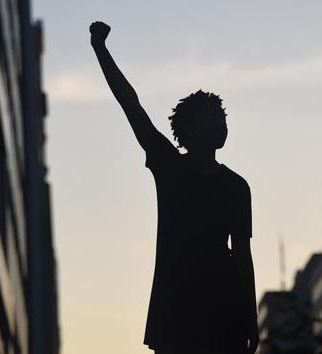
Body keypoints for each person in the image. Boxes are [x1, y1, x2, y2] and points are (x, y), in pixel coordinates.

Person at [89, 21, 258, 354]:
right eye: (212, 116)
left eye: (222, 116)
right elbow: (131, 104)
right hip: (177, 310)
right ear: (190, 129)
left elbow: (243, 257)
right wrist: (100, 49)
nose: (221, 123)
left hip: (223, 312)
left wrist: (251, 321)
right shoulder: (169, 166)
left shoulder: (237, 187)